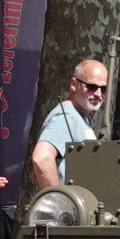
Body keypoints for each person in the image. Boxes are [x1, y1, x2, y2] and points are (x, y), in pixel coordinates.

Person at [31, 59, 108, 192]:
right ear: (73, 84)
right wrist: (60, 202)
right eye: (91, 87)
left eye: (103, 89)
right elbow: (41, 158)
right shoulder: (66, 116)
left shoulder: (78, 116)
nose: (98, 94)